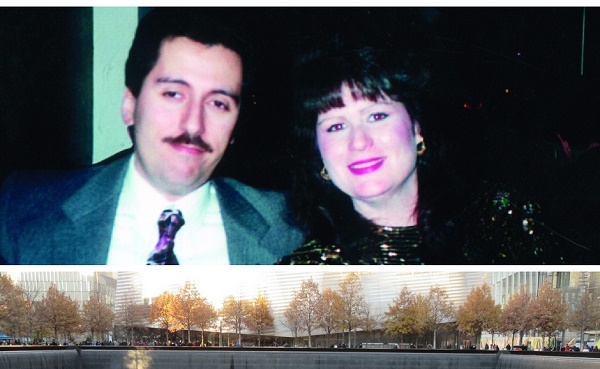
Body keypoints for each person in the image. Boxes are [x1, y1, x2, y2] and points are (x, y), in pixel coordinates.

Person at [0, 8, 304, 265]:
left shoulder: (293, 231)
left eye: (218, 103)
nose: (193, 125)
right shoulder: (22, 212)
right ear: (130, 106)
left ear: (235, 127)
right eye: (173, 94)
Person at [279, 27, 564, 265]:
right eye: (336, 126)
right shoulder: (300, 274)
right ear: (317, 149)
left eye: (376, 116)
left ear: (417, 128)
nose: (359, 142)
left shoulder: (502, 222)